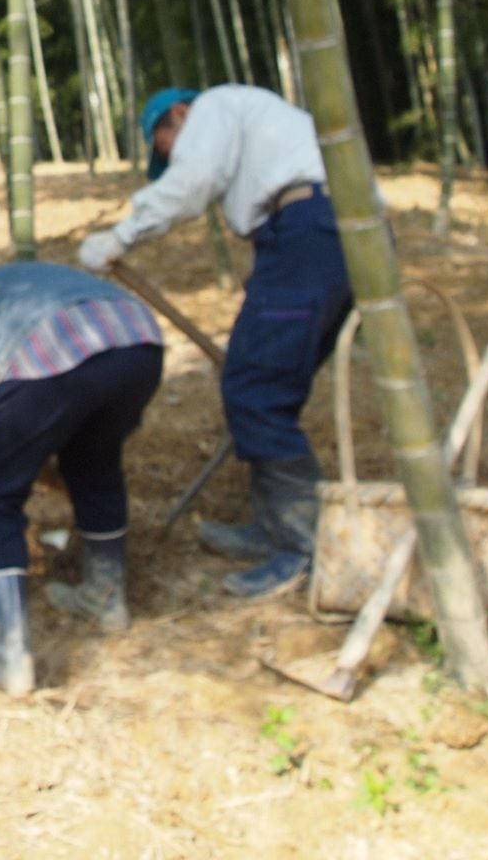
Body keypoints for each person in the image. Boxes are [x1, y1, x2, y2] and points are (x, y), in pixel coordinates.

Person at [76, 85, 352, 598]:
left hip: (308, 235)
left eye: (162, 145)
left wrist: (122, 234)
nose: (167, 156)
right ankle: (276, 526)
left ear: (179, 114)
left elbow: (195, 179)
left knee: (256, 390)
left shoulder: (215, 107)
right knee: (269, 390)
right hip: (317, 236)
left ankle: (304, 547)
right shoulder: (260, 128)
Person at [0, 262, 165, 695]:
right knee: (94, 463)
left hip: (47, 347)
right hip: (138, 336)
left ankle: (7, 657)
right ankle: (105, 597)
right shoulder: (1, 293)